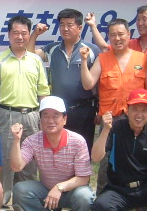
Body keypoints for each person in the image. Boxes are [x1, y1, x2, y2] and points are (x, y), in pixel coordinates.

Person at [0, 14, 51, 210]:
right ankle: (1, 204)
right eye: (16, 33)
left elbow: (43, 91)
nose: (20, 37)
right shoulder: (0, 59)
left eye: (24, 33)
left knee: (29, 162)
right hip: (7, 115)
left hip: (32, 116)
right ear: (9, 35)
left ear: (29, 35)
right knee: (6, 161)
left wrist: (44, 117)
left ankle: (24, 205)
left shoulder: (36, 60)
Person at [9, 96, 94, 211]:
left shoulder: (78, 141)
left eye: (56, 116)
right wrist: (16, 140)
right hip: (46, 191)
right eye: (46, 116)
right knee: (20, 189)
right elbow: (16, 167)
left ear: (64, 119)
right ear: (40, 120)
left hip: (72, 191)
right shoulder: (32, 141)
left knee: (84, 195)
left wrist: (59, 187)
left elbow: (83, 178)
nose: (50, 120)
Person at [29, 9, 100, 152]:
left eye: (69, 25)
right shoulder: (53, 48)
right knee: (59, 149)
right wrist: (34, 34)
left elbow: (97, 83)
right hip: (58, 109)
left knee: (83, 149)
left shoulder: (92, 50)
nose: (65, 28)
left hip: (84, 109)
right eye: (62, 25)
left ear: (79, 27)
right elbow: (31, 56)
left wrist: (100, 109)